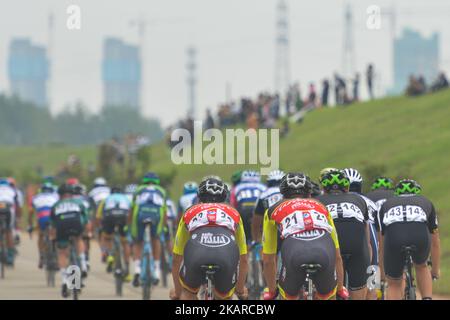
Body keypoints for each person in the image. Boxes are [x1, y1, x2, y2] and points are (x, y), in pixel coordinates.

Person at [262, 172, 345, 300]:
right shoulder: (322, 207)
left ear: (283, 194)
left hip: (294, 251)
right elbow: (338, 256)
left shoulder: (272, 210)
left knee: (289, 295)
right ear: (309, 193)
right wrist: (340, 288)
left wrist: (272, 290)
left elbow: (268, 259)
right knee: (328, 296)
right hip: (324, 250)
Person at [170, 177, 248, 300]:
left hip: (197, 253)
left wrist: (178, 292)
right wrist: (240, 289)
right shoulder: (234, 213)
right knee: (225, 296)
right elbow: (243, 259)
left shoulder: (189, 212)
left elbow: (176, 258)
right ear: (224, 197)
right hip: (225, 253)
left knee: (188, 293)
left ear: (199, 197)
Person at [377, 179, 440, 300]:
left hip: (394, 238)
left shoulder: (386, 204)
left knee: (394, 283)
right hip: (419, 236)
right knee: (421, 266)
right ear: (417, 192)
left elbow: (382, 241)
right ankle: (427, 298)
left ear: (397, 193)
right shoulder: (426, 202)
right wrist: (435, 270)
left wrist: (384, 271)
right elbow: (435, 241)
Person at [316, 170, 371, 300]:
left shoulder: (316, 201)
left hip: (330, 245)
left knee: (327, 289)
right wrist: (367, 259)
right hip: (357, 245)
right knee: (358, 286)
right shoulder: (359, 200)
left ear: (323, 188)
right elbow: (367, 238)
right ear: (346, 187)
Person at [342, 168, 380, 300]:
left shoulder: (339, 199)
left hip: (347, 237)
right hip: (370, 237)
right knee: (371, 278)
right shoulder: (369, 201)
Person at [49, 184, 89, 298]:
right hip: (76, 224)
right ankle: (83, 264)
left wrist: (53, 237)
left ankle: (64, 281)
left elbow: (53, 225)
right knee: (79, 238)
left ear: (60, 195)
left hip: (62, 227)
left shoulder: (56, 205)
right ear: (72, 194)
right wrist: (86, 232)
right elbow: (86, 219)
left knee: (62, 252)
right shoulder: (78, 202)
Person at [130, 172, 167, 287]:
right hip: (156, 216)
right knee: (156, 239)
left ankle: (137, 269)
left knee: (138, 241)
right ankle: (156, 271)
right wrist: (164, 226)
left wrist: (129, 225)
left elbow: (132, 209)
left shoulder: (138, 190)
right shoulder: (161, 191)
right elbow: (164, 211)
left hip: (140, 216)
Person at [96, 186, 132, 281]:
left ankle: (109, 254)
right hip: (123, 215)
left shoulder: (106, 199)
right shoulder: (126, 199)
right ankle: (127, 269)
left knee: (106, 237)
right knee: (125, 242)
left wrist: (101, 227)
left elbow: (98, 215)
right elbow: (131, 212)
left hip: (110, 216)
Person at [230, 170, 266, 244]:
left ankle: (246, 249)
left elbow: (232, 204)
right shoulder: (263, 186)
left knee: (244, 237)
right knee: (261, 235)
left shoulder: (237, 187)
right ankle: (259, 247)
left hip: (243, 209)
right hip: (258, 211)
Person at [29, 182, 60, 268]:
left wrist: (30, 224)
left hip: (42, 218)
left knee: (41, 235)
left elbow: (31, 212)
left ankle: (41, 256)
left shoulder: (35, 197)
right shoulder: (56, 196)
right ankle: (56, 256)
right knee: (55, 235)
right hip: (52, 218)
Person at [251, 170, 284, 244]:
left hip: (271, 228)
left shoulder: (263, 195)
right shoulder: (288, 193)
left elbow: (256, 220)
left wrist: (255, 238)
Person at [88, 177, 111, 262]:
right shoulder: (108, 190)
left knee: (100, 232)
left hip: (99, 209)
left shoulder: (92, 192)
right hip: (109, 210)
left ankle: (103, 251)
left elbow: (90, 208)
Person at [0, 178, 20, 265]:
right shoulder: (12, 190)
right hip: (9, 209)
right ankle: (10, 255)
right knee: (9, 230)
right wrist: (18, 217)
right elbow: (17, 204)